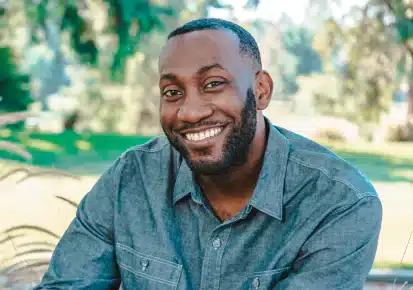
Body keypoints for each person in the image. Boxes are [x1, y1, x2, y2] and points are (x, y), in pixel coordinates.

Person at [34, 18, 382, 290]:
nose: (190, 112)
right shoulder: (130, 179)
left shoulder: (340, 203)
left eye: (213, 83)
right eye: (172, 91)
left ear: (261, 91)